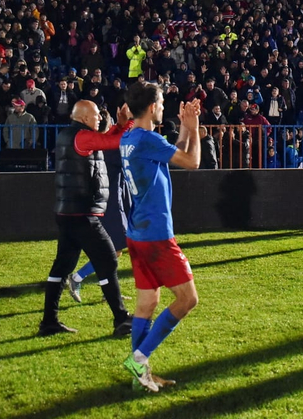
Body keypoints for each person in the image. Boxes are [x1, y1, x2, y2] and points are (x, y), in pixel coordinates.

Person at [120, 83, 202, 393]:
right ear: (153, 107)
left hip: (138, 233)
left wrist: (183, 127)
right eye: (163, 102)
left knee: (147, 303)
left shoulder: (131, 137)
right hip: (155, 235)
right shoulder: (147, 139)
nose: (165, 106)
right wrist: (194, 130)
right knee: (187, 299)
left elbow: (172, 153)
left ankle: (140, 372)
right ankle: (139, 359)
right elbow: (191, 161)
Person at [39, 100, 134, 337]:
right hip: (82, 214)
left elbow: (105, 140)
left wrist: (119, 126)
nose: (99, 118)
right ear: (83, 117)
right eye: (95, 115)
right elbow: (111, 142)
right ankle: (121, 319)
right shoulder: (81, 136)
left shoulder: (70, 135)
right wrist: (127, 124)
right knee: (109, 259)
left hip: (68, 212)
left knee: (62, 267)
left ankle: (49, 322)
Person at [67, 110, 131, 302]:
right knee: (114, 249)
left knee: (113, 249)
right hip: (110, 204)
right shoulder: (110, 147)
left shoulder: (101, 144)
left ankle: (108, 291)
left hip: (110, 201)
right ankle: (78, 278)